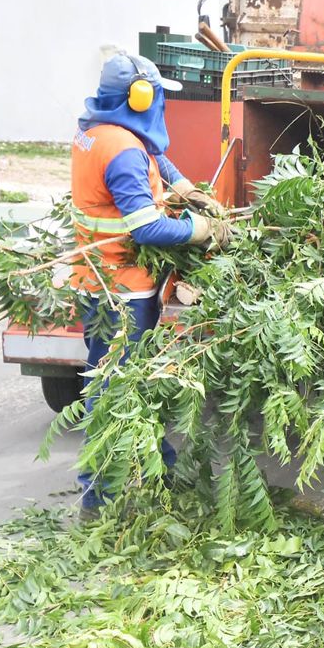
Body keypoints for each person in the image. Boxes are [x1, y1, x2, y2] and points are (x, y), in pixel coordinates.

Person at [70, 52, 231, 517]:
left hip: (98, 281)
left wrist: (189, 191)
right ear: (140, 97)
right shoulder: (120, 152)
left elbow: (157, 159)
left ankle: (162, 470)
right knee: (114, 389)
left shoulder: (97, 131)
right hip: (122, 292)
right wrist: (201, 230)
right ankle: (97, 497)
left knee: (130, 382)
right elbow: (148, 230)